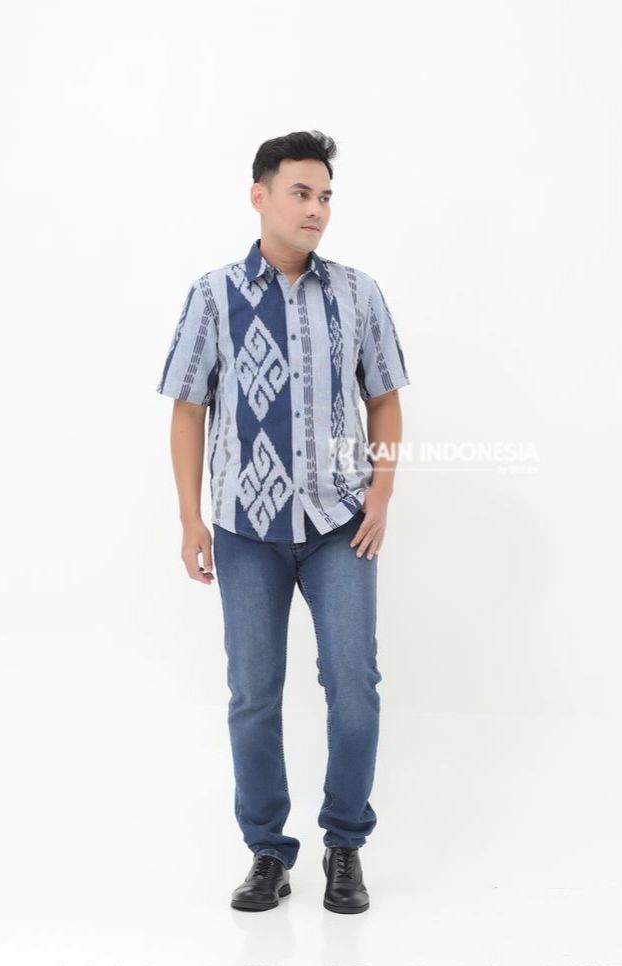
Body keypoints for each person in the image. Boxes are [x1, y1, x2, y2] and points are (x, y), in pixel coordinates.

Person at [157, 130, 410, 914]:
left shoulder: (358, 294)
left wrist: (381, 493)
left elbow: (384, 398)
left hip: (340, 527)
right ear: (259, 195)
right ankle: (267, 850)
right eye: (301, 192)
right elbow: (188, 408)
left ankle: (345, 844)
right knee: (253, 694)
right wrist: (191, 519)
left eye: (325, 195)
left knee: (354, 686)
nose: (316, 209)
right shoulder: (213, 295)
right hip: (245, 532)